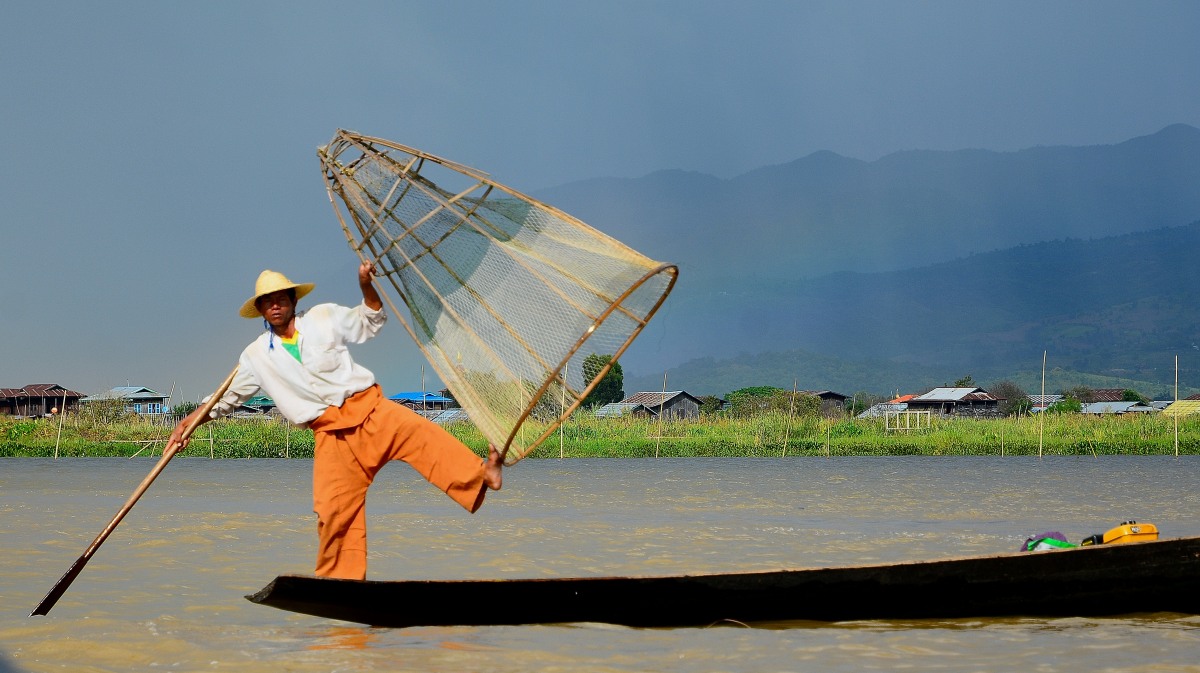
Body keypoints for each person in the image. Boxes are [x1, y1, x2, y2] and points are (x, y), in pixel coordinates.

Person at [167, 262, 502, 580]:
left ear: (292, 300)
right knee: (332, 510)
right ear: (261, 310)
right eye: (267, 302)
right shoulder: (255, 356)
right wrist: (186, 425)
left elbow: (369, 319)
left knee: (424, 437)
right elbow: (223, 400)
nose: (275, 306)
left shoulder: (323, 317)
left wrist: (365, 286)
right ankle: (341, 581)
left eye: (281, 299)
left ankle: (481, 474)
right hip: (330, 434)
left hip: (370, 410)